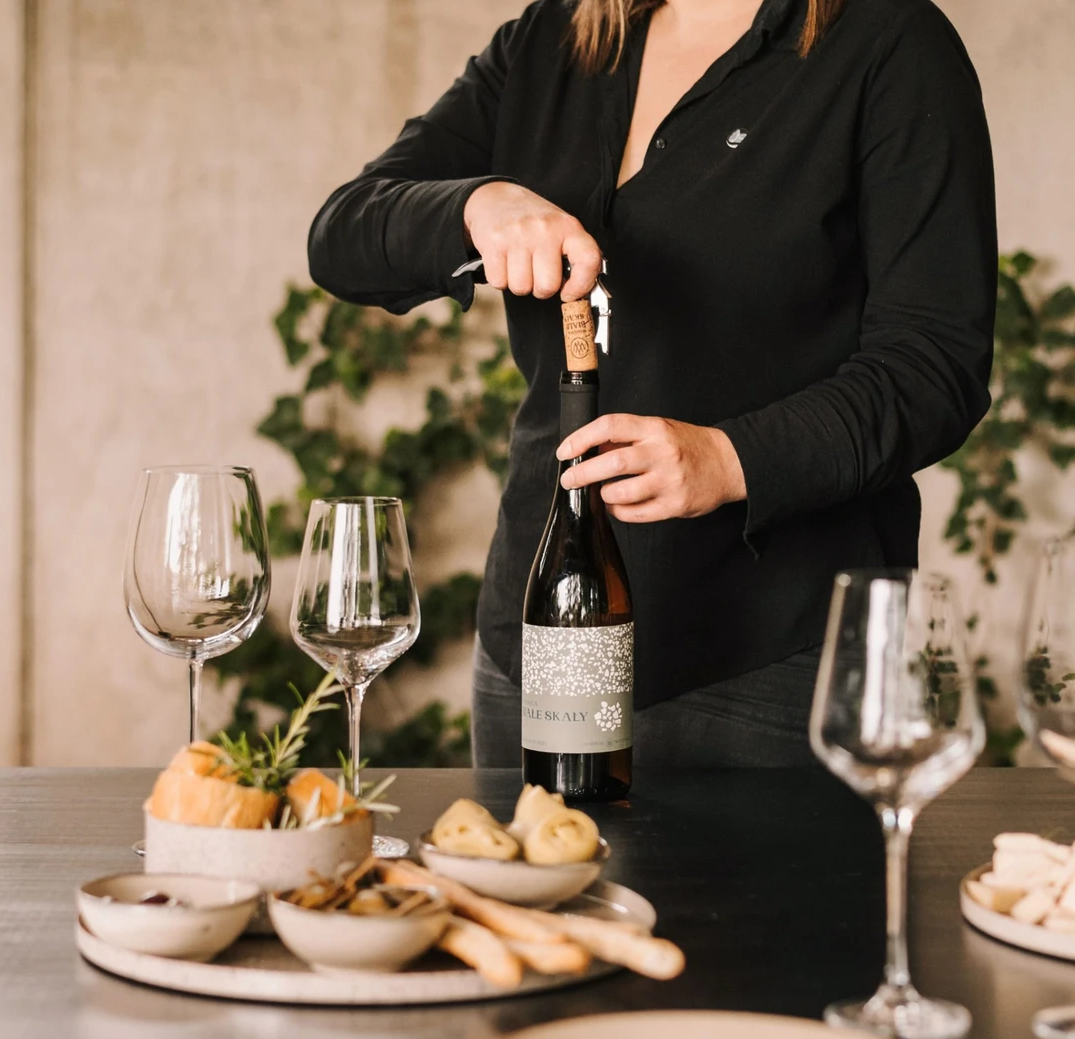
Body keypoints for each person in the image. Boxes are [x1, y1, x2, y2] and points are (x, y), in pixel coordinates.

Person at [308, 0, 996, 769]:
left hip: (778, 659)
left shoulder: (889, 43)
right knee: (529, 892)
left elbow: (937, 365)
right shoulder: (551, 39)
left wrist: (730, 459)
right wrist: (479, 204)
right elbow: (343, 233)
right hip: (538, 641)